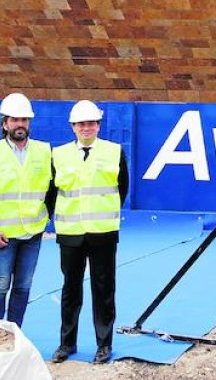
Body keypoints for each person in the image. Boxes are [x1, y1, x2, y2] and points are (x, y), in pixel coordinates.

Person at [48, 100, 130, 365]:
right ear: (73, 127)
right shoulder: (58, 155)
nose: (86, 128)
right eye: (81, 124)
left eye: (91, 123)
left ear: (98, 125)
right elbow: (53, 194)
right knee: (70, 290)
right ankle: (67, 343)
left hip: (102, 233)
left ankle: (103, 345)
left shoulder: (113, 151)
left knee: (103, 289)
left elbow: (122, 188)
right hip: (70, 233)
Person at [0, 92, 52, 328]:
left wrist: (45, 217)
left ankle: (14, 332)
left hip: (32, 232)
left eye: (24, 120)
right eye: (14, 120)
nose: (20, 124)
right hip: (2, 234)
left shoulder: (44, 151)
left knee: (23, 286)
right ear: (4, 123)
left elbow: (52, 189)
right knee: (0, 285)